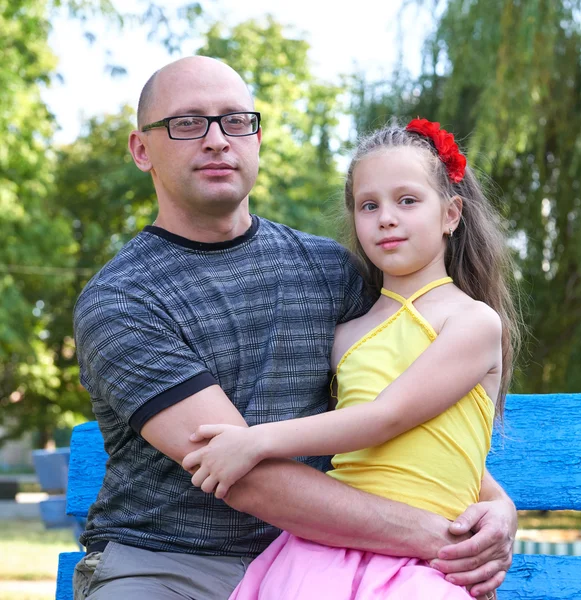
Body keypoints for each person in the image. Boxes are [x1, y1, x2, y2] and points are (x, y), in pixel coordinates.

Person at [72, 55, 516, 600]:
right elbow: (244, 474)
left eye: (235, 120)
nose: (216, 140)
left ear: (257, 139)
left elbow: (407, 410)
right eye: (187, 123)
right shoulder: (123, 299)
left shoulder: (333, 273)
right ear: (142, 149)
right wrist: (441, 539)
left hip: (330, 559)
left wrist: (496, 507)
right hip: (170, 565)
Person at [182, 118, 521, 599]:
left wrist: (254, 442)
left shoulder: (472, 322)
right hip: (332, 545)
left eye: (407, 200)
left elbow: (390, 418)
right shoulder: (347, 331)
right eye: (369, 205)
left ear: (451, 213)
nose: (386, 217)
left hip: (420, 562)